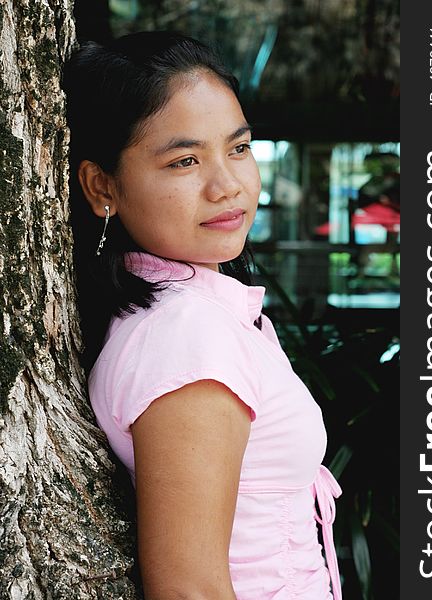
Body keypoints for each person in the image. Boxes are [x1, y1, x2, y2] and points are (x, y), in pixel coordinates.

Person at [62, 31, 342, 600]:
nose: (228, 186)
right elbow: (191, 590)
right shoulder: (189, 338)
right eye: (185, 160)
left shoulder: (191, 312)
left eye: (238, 148)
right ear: (101, 186)